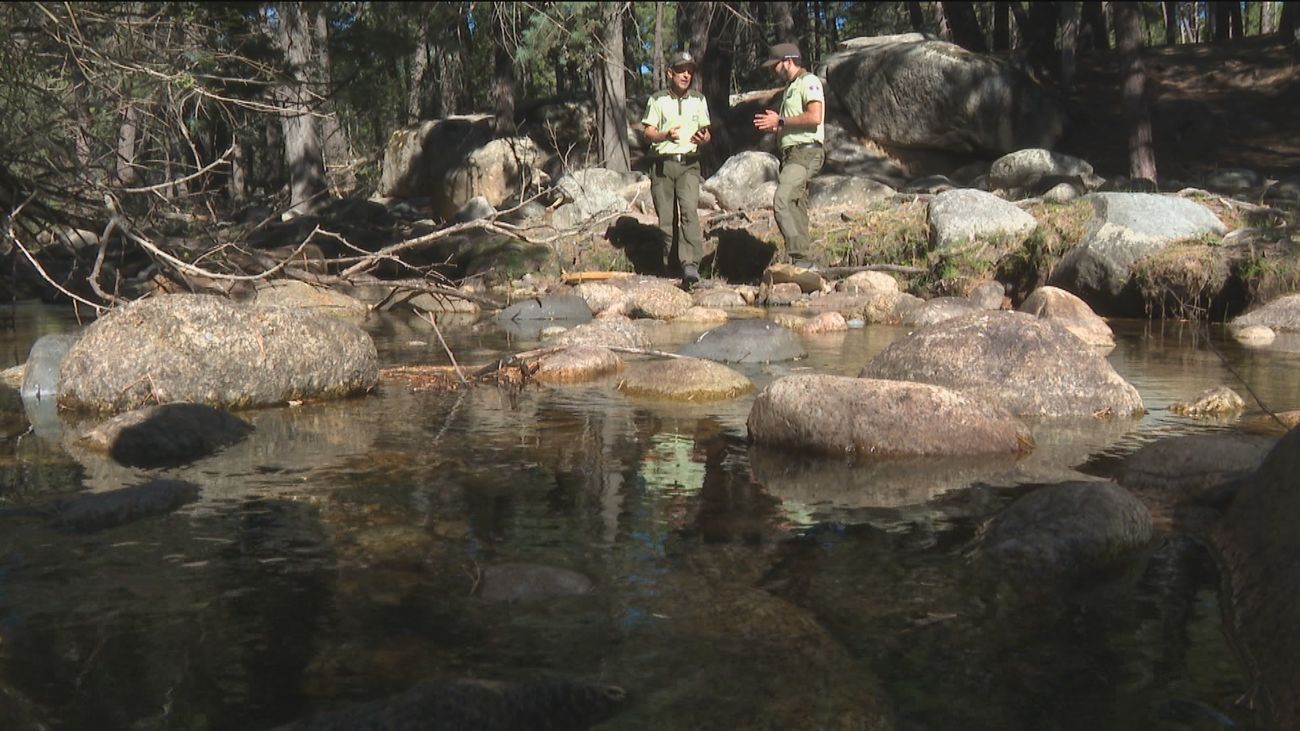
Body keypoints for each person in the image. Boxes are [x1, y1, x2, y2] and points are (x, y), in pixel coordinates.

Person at [641, 50, 712, 289]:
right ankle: (669, 265)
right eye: (681, 70)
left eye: (690, 71)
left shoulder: (699, 100)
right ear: (670, 73)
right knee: (666, 219)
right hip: (662, 164)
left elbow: (707, 131)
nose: (686, 75)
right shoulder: (657, 99)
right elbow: (647, 132)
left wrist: (704, 138)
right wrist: (664, 135)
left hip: (689, 164)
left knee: (689, 212)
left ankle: (690, 265)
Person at [752, 42, 825, 270]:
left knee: (781, 200)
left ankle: (799, 257)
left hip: (806, 153)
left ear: (788, 62)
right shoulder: (790, 88)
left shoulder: (809, 82)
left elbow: (815, 117)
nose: (773, 70)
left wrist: (781, 121)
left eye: (775, 65)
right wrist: (777, 128)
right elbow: (796, 122)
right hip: (792, 155)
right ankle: (803, 262)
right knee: (796, 205)